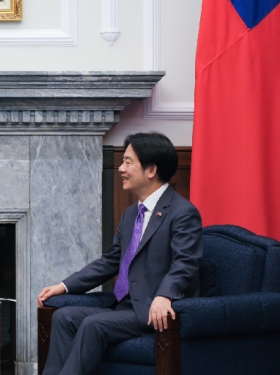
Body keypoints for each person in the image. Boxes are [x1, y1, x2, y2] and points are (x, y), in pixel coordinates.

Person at [37, 132, 203, 375]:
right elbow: (111, 261)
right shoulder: (131, 214)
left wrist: (165, 295)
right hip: (126, 307)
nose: (120, 169)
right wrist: (64, 285)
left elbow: (186, 263)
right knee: (65, 316)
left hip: (155, 308)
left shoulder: (182, 213)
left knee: (94, 324)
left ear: (150, 170)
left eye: (128, 162)